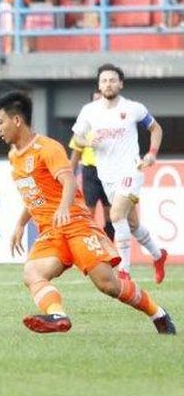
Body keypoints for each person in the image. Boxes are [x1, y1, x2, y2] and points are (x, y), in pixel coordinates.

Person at [0, 91, 175, 335]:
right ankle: (57, 315)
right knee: (32, 272)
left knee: (107, 284)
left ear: (16, 120)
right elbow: (35, 193)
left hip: (76, 224)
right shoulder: (13, 156)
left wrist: (64, 209)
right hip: (51, 232)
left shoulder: (47, 148)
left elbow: (68, 180)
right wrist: (20, 224)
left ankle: (158, 314)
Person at [72, 63, 168, 282]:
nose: (108, 84)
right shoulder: (89, 111)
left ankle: (124, 271)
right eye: (104, 80)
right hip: (106, 175)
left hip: (131, 170)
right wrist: (87, 140)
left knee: (115, 216)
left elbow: (156, 128)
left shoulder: (133, 108)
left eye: (112, 80)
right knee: (132, 224)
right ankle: (158, 255)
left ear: (120, 84)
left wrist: (151, 154)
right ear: (99, 85)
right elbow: (77, 138)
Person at [68, 91, 114, 241]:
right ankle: (91, 248)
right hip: (90, 172)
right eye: (95, 101)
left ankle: (109, 248)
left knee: (110, 213)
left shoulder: (113, 127)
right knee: (89, 211)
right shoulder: (85, 126)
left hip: (109, 171)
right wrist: (69, 178)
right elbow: (75, 154)